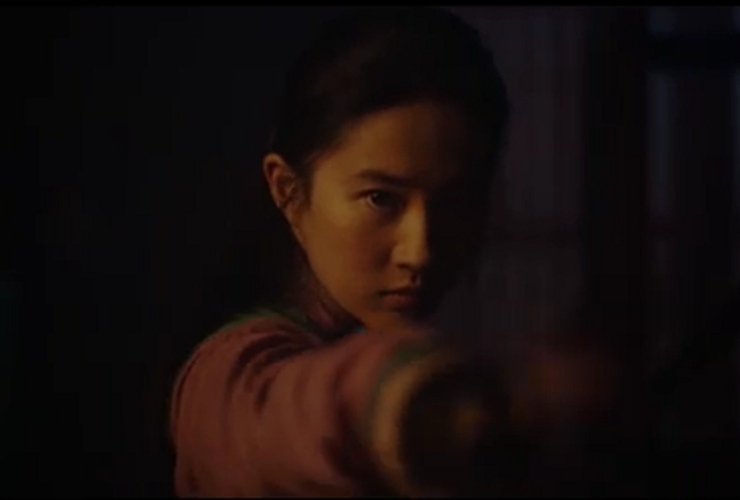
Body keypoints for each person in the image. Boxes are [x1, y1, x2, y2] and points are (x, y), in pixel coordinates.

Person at [169, 6, 616, 497]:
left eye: (455, 201)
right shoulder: (230, 376)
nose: (419, 252)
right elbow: (290, 413)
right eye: (381, 199)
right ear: (289, 192)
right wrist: (431, 393)